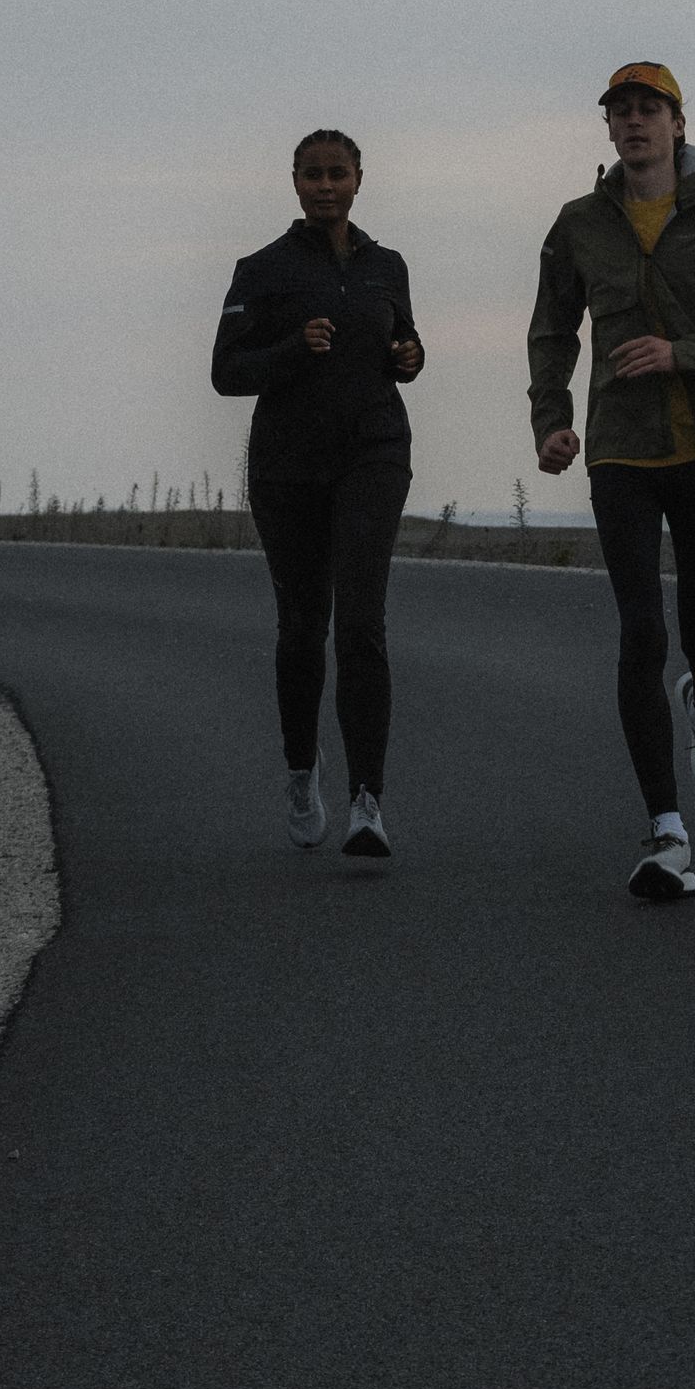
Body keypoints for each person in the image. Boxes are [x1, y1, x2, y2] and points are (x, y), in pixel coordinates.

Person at [528, 61, 695, 901]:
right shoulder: (578, 223)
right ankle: (666, 832)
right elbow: (552, 330)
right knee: (641, 634)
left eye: (650, 109)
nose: (635, 122)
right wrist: (550, 418)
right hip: (620, 449)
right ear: (608, 129)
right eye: (622, 111)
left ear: (679, 124)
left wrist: (684, 353)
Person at [211, 128, 424, 859]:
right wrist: (292, 348)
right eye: (312, 175)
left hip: (373, 453)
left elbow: (405, 346)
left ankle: (369, 800)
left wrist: (410, 355)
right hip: (287, 467)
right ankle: (302, 772)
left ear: (360, 178)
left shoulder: (385, 265)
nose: (325, 186)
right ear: (294, 182)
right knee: (304, 629)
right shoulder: (261, 269)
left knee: (361, 623)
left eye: (337, 174)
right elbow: (226, 372)